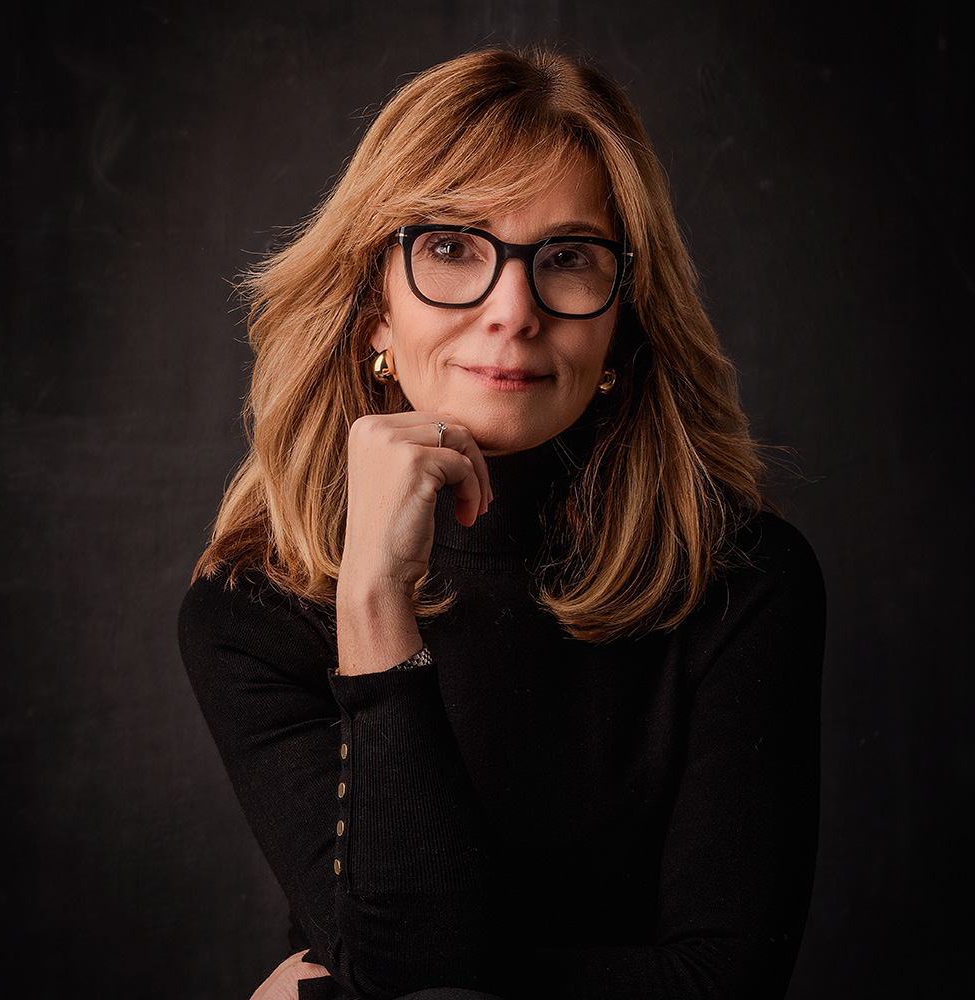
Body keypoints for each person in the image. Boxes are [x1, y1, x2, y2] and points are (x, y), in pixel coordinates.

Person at [178, 46, 825, 1000]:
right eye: (450, 248)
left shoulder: (743, 580)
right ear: (374, 311)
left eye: (566, 259)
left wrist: (334, 988)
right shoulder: (252, 610)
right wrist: (374, 603)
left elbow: (722, 980)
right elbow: (417, 970)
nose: (511, 311)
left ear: (625, 320)